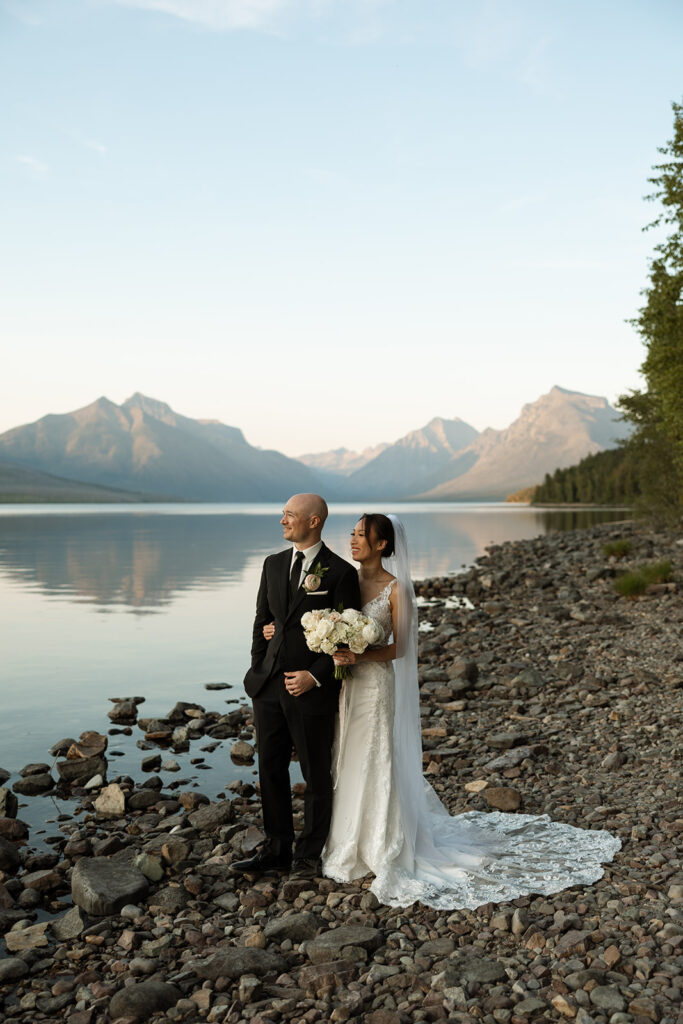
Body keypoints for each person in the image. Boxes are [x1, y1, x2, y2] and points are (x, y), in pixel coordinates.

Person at [321, 513, 622, 909]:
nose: (354, 540)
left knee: (375, 756)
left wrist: (360, 653)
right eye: (353, 533)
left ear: (382, 545)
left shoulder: (396, 589)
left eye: (362, 535)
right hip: (350, 686)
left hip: (375, 684)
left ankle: (380, 842)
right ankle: (343, 838)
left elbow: (401, 649)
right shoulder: (344, 580)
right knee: (348, 752)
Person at [233, 494, 361, 880]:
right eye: (283, 514)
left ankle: (308, 854)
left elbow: (347, 637)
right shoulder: (272, 565)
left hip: (310, 688)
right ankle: (276, 847)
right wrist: (259, 667)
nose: (282, 521)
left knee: (315, 773)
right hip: (269, 685)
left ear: (313, 521)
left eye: (289, 515)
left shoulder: (340, 572)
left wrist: (315, 675)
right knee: (269, 768)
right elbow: (262, 621)